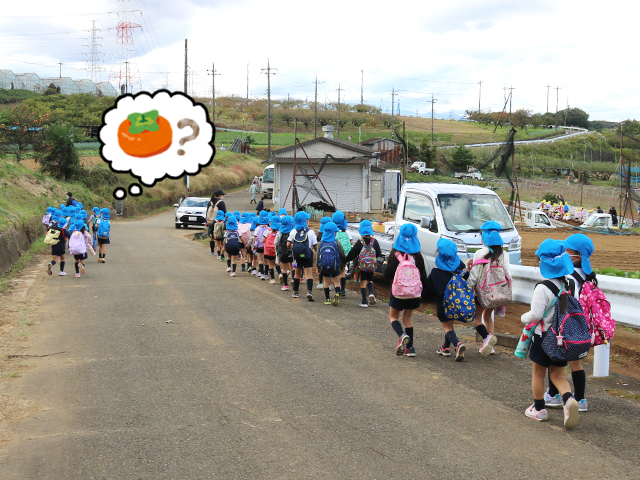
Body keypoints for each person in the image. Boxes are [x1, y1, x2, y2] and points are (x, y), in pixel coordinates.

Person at [521, 239, 579, 429]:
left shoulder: (542, 287)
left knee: (538, 373)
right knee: (558, 376)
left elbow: (536, 315)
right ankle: (569, 399)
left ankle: (539, 409)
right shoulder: (570, 284)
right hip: (563, 338)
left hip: (543, 337)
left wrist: (523, 318)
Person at [545, 234, 594, 413]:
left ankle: (553, 395)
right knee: (575, 362)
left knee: (555, 357)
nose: (564, 253)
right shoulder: (589, 276)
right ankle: (581, 400)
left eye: (567, 251)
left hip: (566, 324)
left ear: (578, 255)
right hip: (581, 325)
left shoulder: (568, 277)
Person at [466, 221, 511, 357]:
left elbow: (474, 278)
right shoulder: (504, 255)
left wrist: (467, 284)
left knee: (476, 319)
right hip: (497, 293)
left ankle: (487, 338)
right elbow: (508, 273)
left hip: (482, 293)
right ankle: (490, 347)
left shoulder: (480, 253)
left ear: (484, 237)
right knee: (487, 316)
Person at [382, 223, 427, 356]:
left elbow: (387, 275)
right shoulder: (418, 256)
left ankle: (402, 336)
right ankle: (410, 348)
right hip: (413, 294)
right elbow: (423, 276)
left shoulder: (394, 254)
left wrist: (385, 266)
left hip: (398, 293)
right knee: (407, 319)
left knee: (393, 317)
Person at [424, 238, 469, 361]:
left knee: (447, 326)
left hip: (443, 303)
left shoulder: (436, 272)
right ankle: (445, 347)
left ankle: (457, 344)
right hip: (457, 301)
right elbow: (466, 276)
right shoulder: (460, 266)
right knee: (451, 323)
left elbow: (429, 290)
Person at [344, 220, 381, 308]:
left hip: (363, 266)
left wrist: (345, 260)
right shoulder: (374, 241)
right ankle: (371, 293)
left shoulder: (360, 242)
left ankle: (364, 301)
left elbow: (353, 253)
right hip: (371, 265)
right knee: (370, 280)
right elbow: (379, 253)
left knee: (363, 281)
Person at [287, 211, 318, 301]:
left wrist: (294, 247)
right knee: (309, 275)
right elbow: (315, 245)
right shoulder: (311, 232)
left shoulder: (293, 231)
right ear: (305, 221)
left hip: (297, 256)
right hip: (308, 255)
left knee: (297, 274)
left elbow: (288, 244)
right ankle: (309, 292)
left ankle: (295, 292)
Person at [316, 221, 346, 305]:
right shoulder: (336, 242)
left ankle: (327, 299)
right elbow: (342, 254)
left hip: (324, 266)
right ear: (334, 233)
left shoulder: (321, 243)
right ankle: (337, 293)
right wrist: (343, 263)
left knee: (326, 282)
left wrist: (317, 266)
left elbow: (318, 255)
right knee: (336, 282)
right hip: (335, 266)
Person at [332, 211, 353, 299]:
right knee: (342, 271)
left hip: (335, 255)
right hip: (344, 254)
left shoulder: (333, 231)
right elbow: (351, 242)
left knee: (335, 273)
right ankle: (343, 290)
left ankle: (337, 290)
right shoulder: (346, 231)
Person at [276, 215, 294, 291]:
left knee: (284, 269)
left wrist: (277, 251)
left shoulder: (279, 233)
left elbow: (275, 242)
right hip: (291, 252)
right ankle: (293, 280)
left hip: (282, 253)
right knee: (292, 267)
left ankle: (286, 285)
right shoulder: (293, 231)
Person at [206, 190, 226, 255]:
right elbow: (225, 213)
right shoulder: (221, 202)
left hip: (210, 221)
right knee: (219, 238)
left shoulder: (210, 202)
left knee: (212, 237)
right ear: (220, 195)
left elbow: (207, 212)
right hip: (218, 223)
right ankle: (219, 252)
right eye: (222, 195)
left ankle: (212, 251)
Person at [316, 217, 333, 290]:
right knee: (328, 270)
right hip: (330, 256)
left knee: (321, 269)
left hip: (321, 256)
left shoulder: (319, 235)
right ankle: (328, 284)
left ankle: (320, 283)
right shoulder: (331, 234)